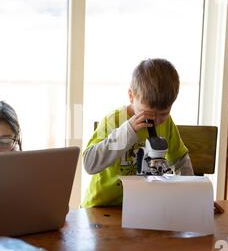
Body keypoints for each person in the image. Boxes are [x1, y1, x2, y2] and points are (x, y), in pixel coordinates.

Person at [81, 58, 194, 208]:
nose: (155, 120)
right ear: (131, 96)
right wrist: (127, 131)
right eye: (147, 113)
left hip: (141, 206)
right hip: (101, 207)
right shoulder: (114, 120)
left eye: (163, 114)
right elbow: (89, 164)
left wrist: (195, 196)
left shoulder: (167, 124)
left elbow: (180, 161)